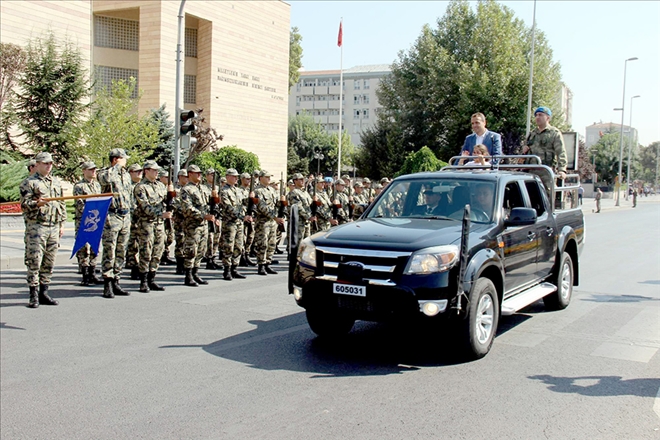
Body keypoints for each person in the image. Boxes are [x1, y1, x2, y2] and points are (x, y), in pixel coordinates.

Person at [19, 152, 66, 308]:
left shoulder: (56, 183)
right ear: (37, 164)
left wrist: (62, 224)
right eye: (45, 163)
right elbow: (24, 204)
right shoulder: (29, 183)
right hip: (37, 226)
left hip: (53, 225)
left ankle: (44, 292)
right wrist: (37, 203)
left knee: (49, 261)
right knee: (34, 261)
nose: (48, 166)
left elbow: (61, 203)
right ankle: (33, 294)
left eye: (50, 163)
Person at [97, 148, 133, 298]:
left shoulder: (125, 174)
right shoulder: (105, 172)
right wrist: (116, 166)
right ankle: (107, 282)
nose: (126, 161)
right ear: (116, 159)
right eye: (123, 159)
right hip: (112, 215)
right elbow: (106, 180)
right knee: (110, 250)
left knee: (121, 251)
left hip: (125, 216)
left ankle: (117, 279)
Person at [133, 161, 172, 292]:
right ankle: (143, 281)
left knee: (158, 251)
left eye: (157, 170)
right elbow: (145, 206)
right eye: (154, 170)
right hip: (146, 223)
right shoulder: (140, 187)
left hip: (159, 224)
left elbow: (167, 201)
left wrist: (172, 198)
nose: (156, 173)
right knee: (146, 252)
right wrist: (161, 214)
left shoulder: (161, 186)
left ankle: (152, 279)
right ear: (146, 171)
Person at [180, 165, 215, 286]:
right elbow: (187, 208)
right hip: (192, 225)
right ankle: (188, 275)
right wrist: (203, 215)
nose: (199, 175)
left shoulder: (204, 189)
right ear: (190, 174)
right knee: (191, 250)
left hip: (204, 225)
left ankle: (195, 273)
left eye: (200, 173)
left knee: (201, 249)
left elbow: (209, 205)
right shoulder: (186, 189)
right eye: (196, 173)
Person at [523, 106, 568, 197]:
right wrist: (524, 149)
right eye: (536, 115)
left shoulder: (554, 133)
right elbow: (525, 150)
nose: (537, 117)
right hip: (530, 171)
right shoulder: (532, 134)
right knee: (530, 196)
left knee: (547, 196)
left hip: (546, 171)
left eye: (540, 115)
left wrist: (562, 169)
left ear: (548, 118)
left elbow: (561, 152)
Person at [73, 161, 103, 286]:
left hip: (95, 221)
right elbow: (80, 204)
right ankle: (85, 274)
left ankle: (92, 272)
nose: (93, 171)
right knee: (84, 248)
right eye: (90, 169)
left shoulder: (97, 185)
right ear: (84, 171)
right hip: (84, 220)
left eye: (94, 169)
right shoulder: (79, 186)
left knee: (95, 247)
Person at [220, 168, 251, 280]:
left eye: (237, 176)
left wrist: (251, 198)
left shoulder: (238, 191)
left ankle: (234, 268)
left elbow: (244, 203)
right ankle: (227, 269)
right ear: (227, 177)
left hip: (239, 223)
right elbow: (228, 208)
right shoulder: (224, 191)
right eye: (234, 176)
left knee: (238, 245)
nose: (236, 178)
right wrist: (243, 216)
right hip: (230, 223)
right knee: (228, 246)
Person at [253, 170, 284, 275]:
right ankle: (261, 265)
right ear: (260, 178)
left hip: (272, 222)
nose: (269, 179)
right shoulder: (257, 191)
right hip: (263, 222)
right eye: (266, 177)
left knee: (272, 243)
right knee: (263, 244)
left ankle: (267, 263)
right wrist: (275, 217)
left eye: (269, 177)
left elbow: (276, 205)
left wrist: (282, 203)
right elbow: (261, 206)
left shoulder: (271, 190)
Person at [125, 163, 143, 280]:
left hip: (140, 219)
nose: (139, 173)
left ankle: (137, 266)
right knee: (132, 244)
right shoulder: (127, 186)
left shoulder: (141, 186)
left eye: (141, 171)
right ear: (130, 173)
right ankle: (133, 266)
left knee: (139, 243)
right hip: (130, 218)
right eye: (137, 171)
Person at [288, 173, 316, 247]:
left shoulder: (305, 192)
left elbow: (310, 204)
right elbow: (298, 207)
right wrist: (308, 217)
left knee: (307, 243)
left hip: (306, 221)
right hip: (299, 221)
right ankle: (295, 258)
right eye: (300, 179)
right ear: (295, 181)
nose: (303, 181)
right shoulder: (294, 192)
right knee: (298, 242)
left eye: (303, 179)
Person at [173, 169, 188, 274]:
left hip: (188, 220)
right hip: (180, 219)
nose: (187, 179)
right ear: (180, 177)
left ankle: (185, 263)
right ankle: (179, 264)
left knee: (187, 242)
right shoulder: (175, 190)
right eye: (185, 177)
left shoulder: (188, 189)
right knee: (180, 241)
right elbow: (175, 204)